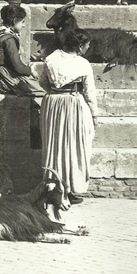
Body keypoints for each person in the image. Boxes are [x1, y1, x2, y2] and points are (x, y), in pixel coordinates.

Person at [40, 29, 98, 205]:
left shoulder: (50, 59)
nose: (87, 49)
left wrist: (55, 93)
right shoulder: (82, 64)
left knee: (54, 145)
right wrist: (94, 114)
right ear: (80, 46)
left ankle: (53, 188)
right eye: (87, 46)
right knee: (73, 145)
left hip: (52, 103)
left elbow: (43, 82)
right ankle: (69, 189)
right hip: (73, 104)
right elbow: (89, 92)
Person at [0, 4, 45, 147]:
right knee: (40, 91)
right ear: (15, 20)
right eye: (22, 22)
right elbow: (17, 66)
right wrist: (31, 71)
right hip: (0, 78)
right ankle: (39, 133)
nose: (23, 25)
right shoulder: (8, 38)